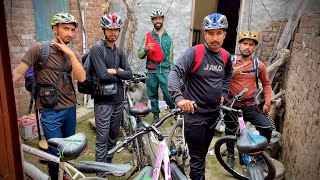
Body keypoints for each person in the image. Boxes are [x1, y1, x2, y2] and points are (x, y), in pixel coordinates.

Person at [12, 12, 85, 179]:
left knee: (69, 150)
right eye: (65, 29)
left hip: (70, 109)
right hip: (50, 111)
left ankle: (64, 175)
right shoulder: (39, 49)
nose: (70, 33)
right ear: (55, 28)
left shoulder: (72, 54)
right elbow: (17, 72)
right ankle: (55, 177)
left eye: (72, 30)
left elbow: (81, 78)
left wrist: (71, 54)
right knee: (54, 152)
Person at [168, 13, 232, 179]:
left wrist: (224, 92)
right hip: (194, 115)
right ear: (205, 34)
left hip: (213, 114)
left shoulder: (225, 56)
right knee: (197, 159)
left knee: (202, 153)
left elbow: (228, 75)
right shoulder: (194, 53)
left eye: (219, 33)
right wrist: (179, 98)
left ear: (225, 34)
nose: (214, 37)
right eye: (210, 33)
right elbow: (174, 73)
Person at [89, 13, 133, 178]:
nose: (113, 33)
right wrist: (120, 74)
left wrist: (114, 71)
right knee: (102, 138)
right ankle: (100, 174)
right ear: (103, 29)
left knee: (114, 136)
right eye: (110, 29)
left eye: (116, 29)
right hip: (103, 101)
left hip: (118, 99)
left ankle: (107, 165)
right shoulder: (97, 50)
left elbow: (130, 73)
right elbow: (102, 76)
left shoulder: (119, 52)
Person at [224, 31, 273, 168]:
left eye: (251, 44)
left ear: (254, 47)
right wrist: (231, 73)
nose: (247, 47)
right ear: (239, 45)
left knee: (267, 128)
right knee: (230, 131)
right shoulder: (230, 62)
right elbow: (219, 79)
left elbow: (266, 84)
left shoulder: (259, 65)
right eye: (244, 43)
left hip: (250, 105)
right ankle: (230, 155)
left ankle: (259, 155)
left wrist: (268, 102)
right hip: (231, 104)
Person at [137, 9, 175, 122]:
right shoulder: (147, 36)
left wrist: (172, 70)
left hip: (165, 70)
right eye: (155, 19)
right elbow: (139, 54)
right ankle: (156, 117)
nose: (158, 21)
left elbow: (171, 55)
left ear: (162, 20)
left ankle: (175, 112)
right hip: (152, 71)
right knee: (153, 96)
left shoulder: (168, 37)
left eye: (159, 18)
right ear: (152, 21)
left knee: (168, 94)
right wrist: (146, 49)